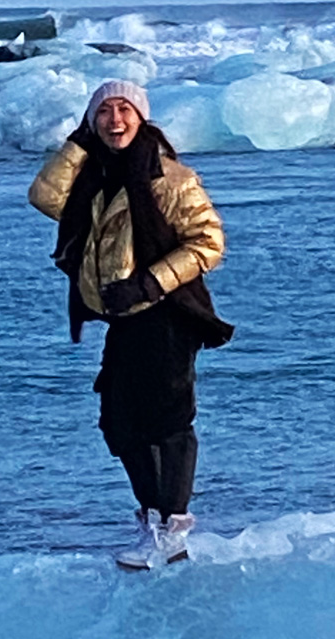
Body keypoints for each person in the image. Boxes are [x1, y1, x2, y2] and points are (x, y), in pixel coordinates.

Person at [28, 81, 233, 570]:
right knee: (119, 425)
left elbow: (209, 244)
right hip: (124, 319)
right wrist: (78, 144)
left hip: (169, 313)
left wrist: (150, 283)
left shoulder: (172, 178)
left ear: (142, 118)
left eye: (124, 109)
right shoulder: (93, 179)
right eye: (103, 112)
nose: (114, 120)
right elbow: (43, 196)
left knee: (168, 423)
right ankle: (152, 523)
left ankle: (173, 530)